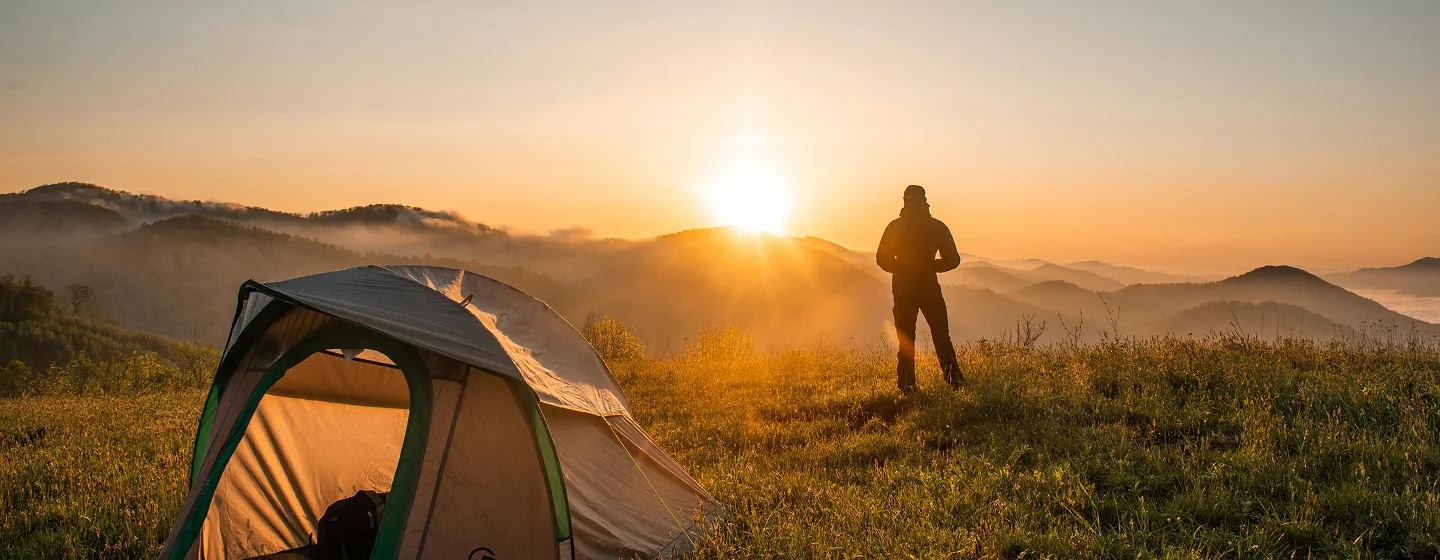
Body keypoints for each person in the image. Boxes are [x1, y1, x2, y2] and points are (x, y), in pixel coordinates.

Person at [876, 184, 963, 392]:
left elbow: (882, 258)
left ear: (904, 201)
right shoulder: (937, 227)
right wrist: (930, 266)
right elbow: (953, 260)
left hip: (903, 288)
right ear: (925, 201)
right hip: (929, 287)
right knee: (941, 335)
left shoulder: (895, 227)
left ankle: (907, 386)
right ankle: (955, 383)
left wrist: (902, 268)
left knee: (906, 339)